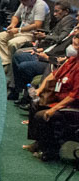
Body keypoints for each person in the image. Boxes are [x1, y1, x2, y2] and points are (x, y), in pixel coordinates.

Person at [23, 31, 79, 160]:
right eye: (73, 44)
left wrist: (53, 109)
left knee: (42, 115)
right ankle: (38, 143)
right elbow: (53, 75)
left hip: (72, 106)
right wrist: (39, 90)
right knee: (35, 102)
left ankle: (50, 151)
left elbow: (74, 96)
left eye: (76, 46)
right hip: (58, 98)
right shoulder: (71, 60)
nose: (73, 48)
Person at [10, 2, 77, 100]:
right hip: (47, 52)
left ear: (66, 11)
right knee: (18, 55)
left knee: (24, 66)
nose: (76, 18)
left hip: (53, 62)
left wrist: (47, 52)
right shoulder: (73, 30)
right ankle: (18, 90)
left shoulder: (69, 21)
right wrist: (42, 50)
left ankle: (26, 96)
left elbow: (60, 43)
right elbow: (58, 45)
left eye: (57, 11)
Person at [0, 0, 50, 74]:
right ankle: (7, 64)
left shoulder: (40, 6)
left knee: (12, 43)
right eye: (21, 0)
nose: (22, 3)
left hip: (32, 35)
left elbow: (37, 25)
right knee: (0, 37)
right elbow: (16, 16)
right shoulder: (24, 3)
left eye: (24, 0)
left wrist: (19, 29)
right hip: (20, 31)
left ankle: (10, 71)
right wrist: (12, 25)